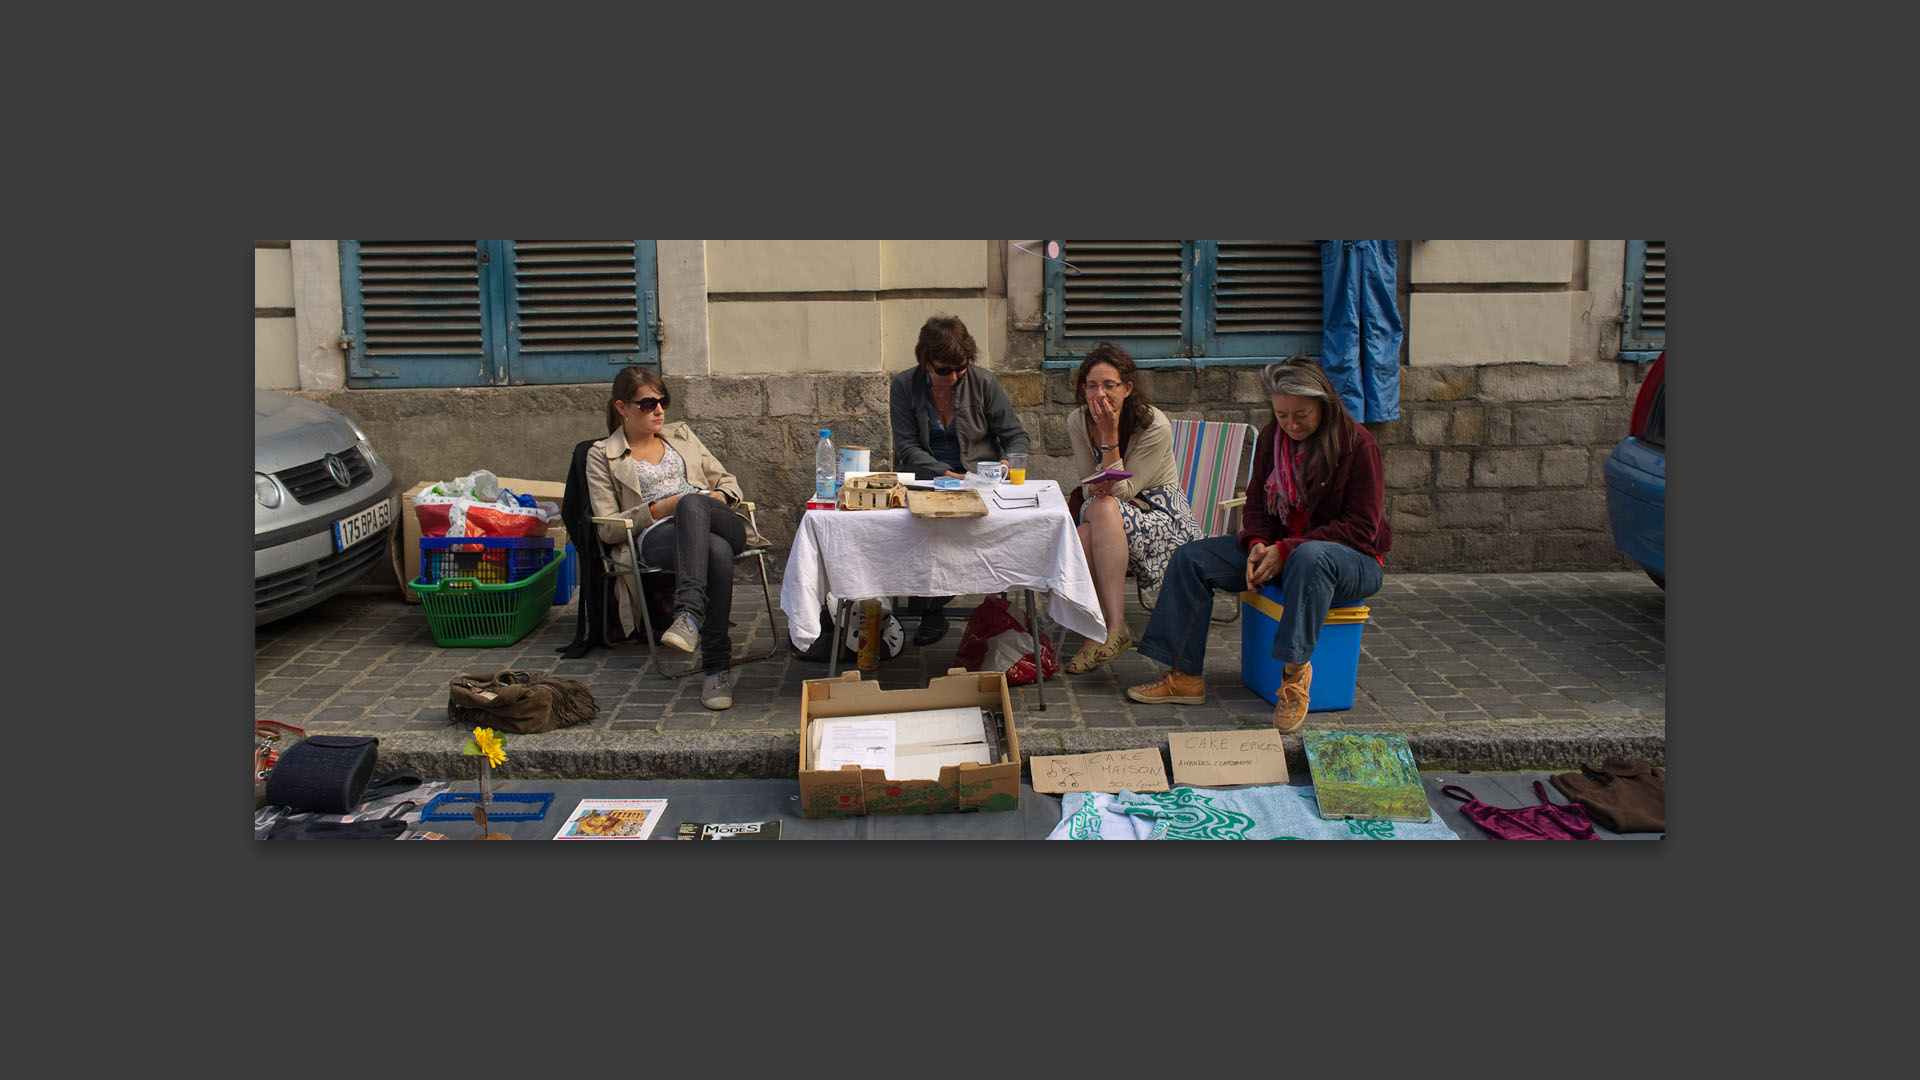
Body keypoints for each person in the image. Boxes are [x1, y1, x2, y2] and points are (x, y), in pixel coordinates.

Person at [1126, 356, 1392, 733]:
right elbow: (1255, 504)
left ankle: (1295, 677)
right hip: (1283, 551)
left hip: (1351, 560)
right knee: (1191, 558)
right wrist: (1257, 544)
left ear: (1325, 405)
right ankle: (1184, 676)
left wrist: (1286, 550)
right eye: (1282, 415)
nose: (1291, 424)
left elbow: (1361, 528)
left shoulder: (1358, 446)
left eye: (1301, 415)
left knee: (1310, 557)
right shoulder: (1273, 439)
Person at [586, 365, 766, 710]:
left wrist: (717, 499)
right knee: (713, 550)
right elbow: (608, 527)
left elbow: (729, 482)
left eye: (662, 401)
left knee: (693, 506)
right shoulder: (601, 455)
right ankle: (716, 668)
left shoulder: (681, 436)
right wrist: (658, 508)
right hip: (657, 537)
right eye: (647, 403)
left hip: (720, 520)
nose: (658, 410)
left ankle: (689, 615)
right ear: (621, 408)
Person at [888, 314, 1032, 645]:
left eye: (960, 368)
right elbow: (906, 446)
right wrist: (944, 473)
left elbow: (1016, 436)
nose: (953, 377)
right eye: (943, 370)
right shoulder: (904, 386)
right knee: (922, 528)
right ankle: (931, 609)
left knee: (975, 530)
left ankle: (951, 608)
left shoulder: (984, 383)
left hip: (979, 483)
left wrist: (1008, 463)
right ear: (925, 363)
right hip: (926, 481)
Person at [1061, 341, 1201, 674]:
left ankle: (1110, 628)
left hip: (1161, 517)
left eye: (1109, 386)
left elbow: (1122, 490)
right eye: (1092, 385)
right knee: (1087, 529)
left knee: (1098, 516)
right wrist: (1098, 483)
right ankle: (1100, 633)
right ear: (1083, 388)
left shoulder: (1154, 425)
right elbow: (1087, 483)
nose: (1100, 394)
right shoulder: (1078, 421)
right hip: (1106, 509)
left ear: (1127, 389)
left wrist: (1109, 433)